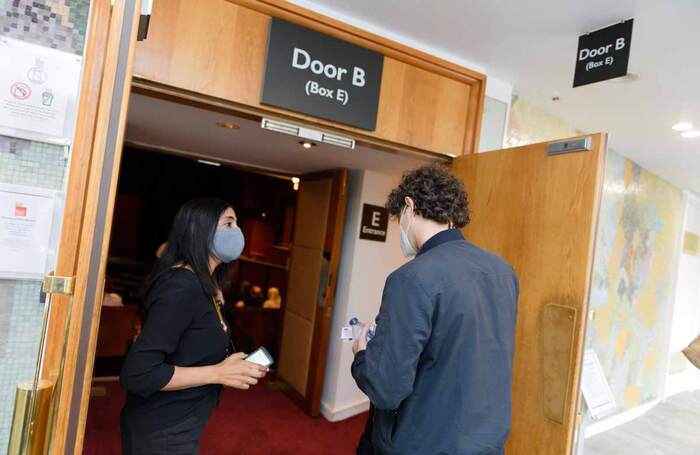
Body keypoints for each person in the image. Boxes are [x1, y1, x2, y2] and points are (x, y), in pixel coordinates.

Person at [351, 165, 519, 455]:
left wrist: (362, 356)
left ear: (409, 206)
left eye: (400, 217)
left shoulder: (411, 277)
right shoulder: (503, 271)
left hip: (424, 443)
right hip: (485, 442)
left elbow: (386, 389)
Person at [119, 199, 268, 454]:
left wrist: (232, 366)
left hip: (182, 423)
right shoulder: (181, 287)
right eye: (228, 224)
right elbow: (138, 373)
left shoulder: (204, 284)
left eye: (236, 224)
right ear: (201, 231)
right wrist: (218, 373)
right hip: (161, 429)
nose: (237, 232)